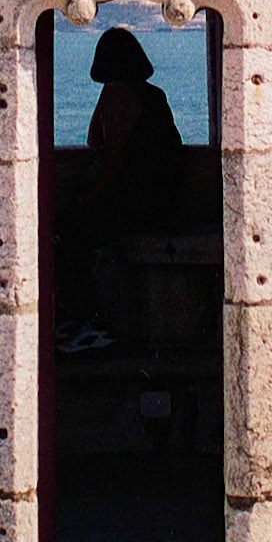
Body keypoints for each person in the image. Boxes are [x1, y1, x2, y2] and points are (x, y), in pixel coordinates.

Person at [56, 25, 183, 352]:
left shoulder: (118, 95)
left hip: (135, 203)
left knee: (65, 233)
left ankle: (86, 321)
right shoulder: (154, 95)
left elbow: (108, 157)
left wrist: (82, 198)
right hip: (164, 202)